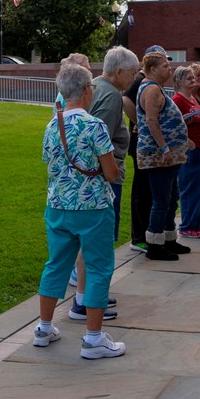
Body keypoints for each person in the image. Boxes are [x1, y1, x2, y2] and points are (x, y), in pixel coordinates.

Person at [34, 62, 125, 360]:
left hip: (58, 205)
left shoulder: (52, 125)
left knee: (56, 265)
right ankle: (94, 339)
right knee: (98, 268)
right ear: (86, 90)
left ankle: (44, 329)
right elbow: (111, 173)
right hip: (93, 208)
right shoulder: (94, 125)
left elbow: (50, 163)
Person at [69, 46, 139, 322]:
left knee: (89, 243)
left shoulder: (96, 86)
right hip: (102, 179)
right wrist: (109, 174)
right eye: (132, 73)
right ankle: (87, 302)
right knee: (99, 243)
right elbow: (102, 144)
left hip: (86, 180)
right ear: (119, 71)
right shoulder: (111, 97)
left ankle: (89, 296)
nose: (134, 78)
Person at [136, 52, 190, 260]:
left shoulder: (156, 88)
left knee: (171, 198)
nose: (170, 69)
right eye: (166, 66)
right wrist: (165, 149)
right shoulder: (150, 89)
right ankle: (154, 246)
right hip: (158, 156)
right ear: (152, 69)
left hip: (169, 155)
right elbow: (151, 121)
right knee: (161, 200)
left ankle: (169, 239)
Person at [122, 45, 170, 253]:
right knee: (142, 190)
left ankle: (147, 232)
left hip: (147, 144)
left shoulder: (150, 82)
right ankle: (138, 236)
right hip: (142, 145)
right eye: (164, 63)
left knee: (148, 189)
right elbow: (124, 100)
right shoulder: (141, 80)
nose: (168, 67)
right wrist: (140, 124)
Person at [172, 66, 200, 238]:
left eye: (194, 77)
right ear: (178, 81)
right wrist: (188, 142)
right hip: (194, 151)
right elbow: (173, 126)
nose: (194, 80)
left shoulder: (193, 98)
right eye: (188, 78)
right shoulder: (178, 100)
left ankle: (196, 222)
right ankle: (187, 226)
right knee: (192, 188)